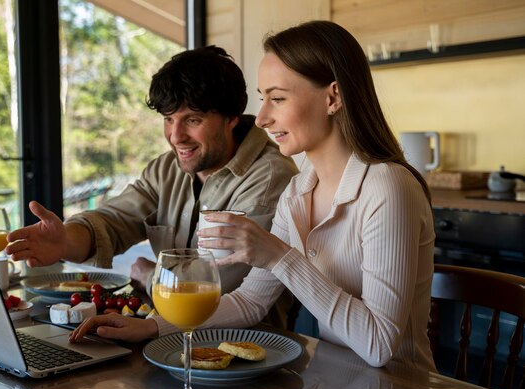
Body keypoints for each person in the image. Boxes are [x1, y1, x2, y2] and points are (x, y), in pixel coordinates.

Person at [69, 21, 436, 371]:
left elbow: (379, 345)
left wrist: (279, 256)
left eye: (277, 99)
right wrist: (154, 327)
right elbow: (249, 301)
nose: (260, 118)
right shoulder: (299, 191)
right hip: (335, 382)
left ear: (333, 97)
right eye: (263, 99)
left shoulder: (387, 187)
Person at [6, 46, 298, 327]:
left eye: (192, 120)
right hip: (162, 332)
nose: (176, 136)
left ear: (231, 118)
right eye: (169, 119)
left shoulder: (270, 178)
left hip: (248, 348)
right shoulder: (166, 168)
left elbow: (216, 285)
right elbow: (114, 220)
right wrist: (66, 241)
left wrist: (150, 276)